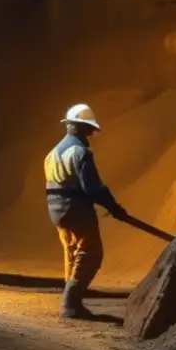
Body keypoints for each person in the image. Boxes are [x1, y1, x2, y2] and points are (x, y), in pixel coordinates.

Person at [44, 103, 127, 319]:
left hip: (56, 210)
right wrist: (114, 207)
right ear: (80, 128)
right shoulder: (79, 152)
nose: (92, 133)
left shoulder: (52, 153)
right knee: (91, 253)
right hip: (76, 209)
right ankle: (71, 301)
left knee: (72, 251)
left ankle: (69, 302)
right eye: (89, 129)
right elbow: (93, 188)